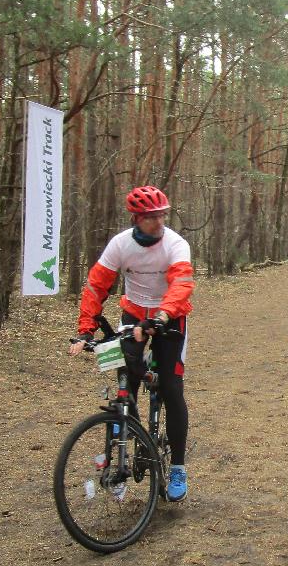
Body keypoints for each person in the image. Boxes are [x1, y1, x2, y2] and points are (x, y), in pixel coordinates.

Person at [69, 186, 195, 501]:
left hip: (169, 318)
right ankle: (126, 449)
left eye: (162, 215)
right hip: (134, 315)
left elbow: (181, 284)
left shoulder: (175, 244)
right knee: (126, 383)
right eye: (152, 217)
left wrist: (162, 316)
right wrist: (86, 330)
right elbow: (96, 286)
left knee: (172, 387)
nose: (159, 221)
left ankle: (178, 467)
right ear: (136, 218)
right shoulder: (120, 244)